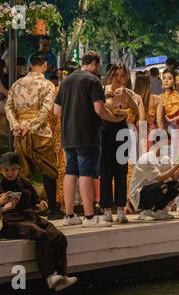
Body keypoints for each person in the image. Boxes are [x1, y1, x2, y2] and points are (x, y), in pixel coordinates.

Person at [0, 152, 77, 291]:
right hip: (13, 222)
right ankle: (49, 276)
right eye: (6, 170)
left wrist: (41, 206)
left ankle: (62, 276)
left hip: (32, 218)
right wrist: (3, 208)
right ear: (1, 170)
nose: (10, 173)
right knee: (40, 234)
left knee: (58, 236)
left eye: (13, 169)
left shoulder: (25, 183)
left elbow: (35, 204)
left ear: (18, 169)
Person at [54, 51, 122, 228]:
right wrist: (114, 118)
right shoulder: (92, 81)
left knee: (71, 171)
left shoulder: (66, 81)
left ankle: (69, 214)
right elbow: (99, 109)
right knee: (86, 173)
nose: (99, 69)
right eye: (99, 66)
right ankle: (90, 217)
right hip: (87, 134)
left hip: (68, 134)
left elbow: (57, 111)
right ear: (94, 63)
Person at [5, 53, 62, 220]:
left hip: (19, 133)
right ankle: (52, 208)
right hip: (40, 133)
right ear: (44, 65)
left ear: (30, 65)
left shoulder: (16, 84)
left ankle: (24, 209)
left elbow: (8, 108)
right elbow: (45, 110)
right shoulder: (48, 85)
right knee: (49, 172)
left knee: (22, 172)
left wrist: (16, 125)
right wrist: (30, 126)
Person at [101, 63, 140, 224]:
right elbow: (95, 109)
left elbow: (136, 113)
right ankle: (106, 209)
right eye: (116, 75)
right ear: (110, 75)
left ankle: (121, 209)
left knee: (121, 172)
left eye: (122, 75)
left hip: (122, 132)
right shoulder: (102, 90)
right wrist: (106, 98)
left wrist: (128, 96)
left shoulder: (128, 92)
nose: (119, 78)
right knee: (105, 172)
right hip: (104, 131)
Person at [129, 132, 179, 221]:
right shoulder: (146, 159)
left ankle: (159, 210)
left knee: (176, 186)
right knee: (162, 186)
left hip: (155, 189)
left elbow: (174, 178)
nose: (169, 146)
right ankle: (144, 212)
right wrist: (177, 166)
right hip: (139, 194)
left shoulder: (165, 158)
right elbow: (160, 178)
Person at [134, 70, 161, 149]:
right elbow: (159, 121)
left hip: (136, 132)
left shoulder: (132, 98)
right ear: (149, 83)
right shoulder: (157, 99)